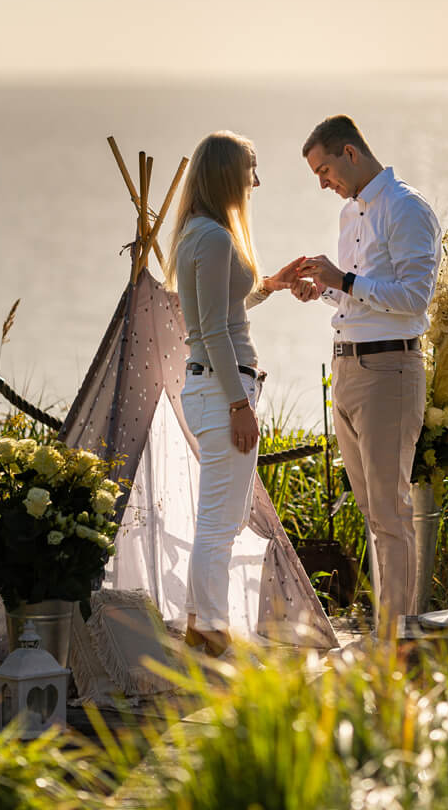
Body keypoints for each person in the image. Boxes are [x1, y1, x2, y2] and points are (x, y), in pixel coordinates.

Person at [296, 115, 442, 637]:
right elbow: (361, 296)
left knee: (391, 512)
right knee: (372, 514)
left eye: (325, 169)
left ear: (351, 153)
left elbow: (413, 299)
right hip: (348, 368)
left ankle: (397, 641)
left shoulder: (406, 209)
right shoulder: (348, 217)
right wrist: (325, 290)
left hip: (390, 370)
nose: (323, 182)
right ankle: (388, 634)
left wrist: (345, 279)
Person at [164, 130, 305, 656]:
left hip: (210, 386)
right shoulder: (217, 238)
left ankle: (204, 622)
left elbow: (220, 314)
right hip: (226, 390)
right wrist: (239, 405)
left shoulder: (196, 234)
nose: (256, 181)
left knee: (216, 516)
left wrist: (270, 284)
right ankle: (211, 629)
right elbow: (216, 333)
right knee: (220, 521)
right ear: (228, 173)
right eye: (251, 169)